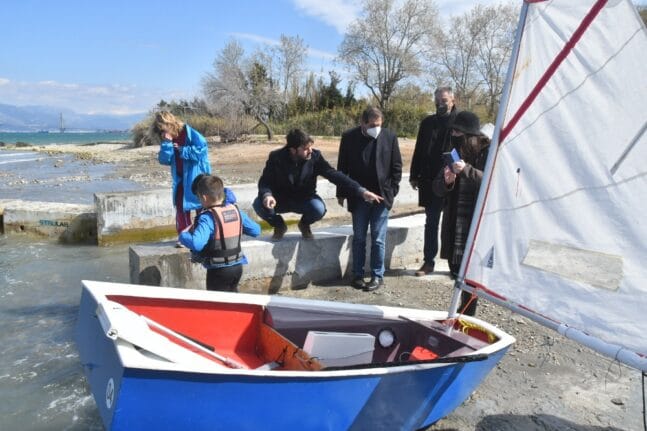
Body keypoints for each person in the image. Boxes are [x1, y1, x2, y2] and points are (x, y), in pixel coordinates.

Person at [253, 128, 383, 240]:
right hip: (280, 200)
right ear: (293, 150)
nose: (310, 151)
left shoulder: (315, 156)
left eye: (310, 147)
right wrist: (267, 195)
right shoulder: (276, 157)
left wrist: (361, 191)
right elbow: (265, 181)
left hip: (304, 199)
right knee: (258, 204)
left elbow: (334, 175)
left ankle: (304, 224)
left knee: (318, 209)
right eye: (305, 148)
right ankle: (279, 225)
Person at [337, 107, 402, 292]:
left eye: (379, 125)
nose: (376, 128)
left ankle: (376, 276)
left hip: (382, 197)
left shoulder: (389, 137)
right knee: (358, 238)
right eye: (372, 125)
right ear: (363, 123)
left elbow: (396, 166)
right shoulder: (349, 137)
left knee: (378, 239)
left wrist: (392, 191)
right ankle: (357, 275)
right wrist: (341, 193)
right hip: (359, 198)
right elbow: (342, 168)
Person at [432, 111, 491, 316]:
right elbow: (437, 188)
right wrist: (447, 181)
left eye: (458, 132)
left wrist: (466, 170)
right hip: (453, 221)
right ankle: (463, 310)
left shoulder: (488, 151)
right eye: (453, 132)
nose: (454, 136)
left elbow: (491, 181)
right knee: (455, 268)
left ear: (470, 134)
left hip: (476, 222)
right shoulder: (453, 152)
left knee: (472, 273)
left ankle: (468, 313)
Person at [179, 175, 260, 292]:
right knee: (233, 301)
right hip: (237, 267)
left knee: (217, 305)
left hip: (218, 270)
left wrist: (183, 235)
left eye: (199, 199)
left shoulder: (207, 218)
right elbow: (256, 230)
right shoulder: (236, 210)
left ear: (204, 197)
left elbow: (197, 244)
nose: (200, 202)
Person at [409, 87, 457, 276]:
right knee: (431, 222)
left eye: (444, 100)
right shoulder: (428, 122)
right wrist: (414, 174)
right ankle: (429, 262)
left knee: (452, 223)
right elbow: (419, 148)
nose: (440, 104)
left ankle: (455, 266)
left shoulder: (460, 121)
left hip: (454, 180)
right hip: (430, 180)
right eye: (437, 100)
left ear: (453, 99)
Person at [153, 111, 211, 246]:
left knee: (201, 207)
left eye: (163, 128)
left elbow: (202, 150)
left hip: (197, 177)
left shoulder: (189, 133)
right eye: (160, 130)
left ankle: (203, 235)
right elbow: (164, 160)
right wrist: (167, 143)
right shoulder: (166, 138)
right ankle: (184, 237)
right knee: (180, 207)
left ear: (169, 124)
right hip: (179, 179)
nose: (162, 132)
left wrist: (183, 150)